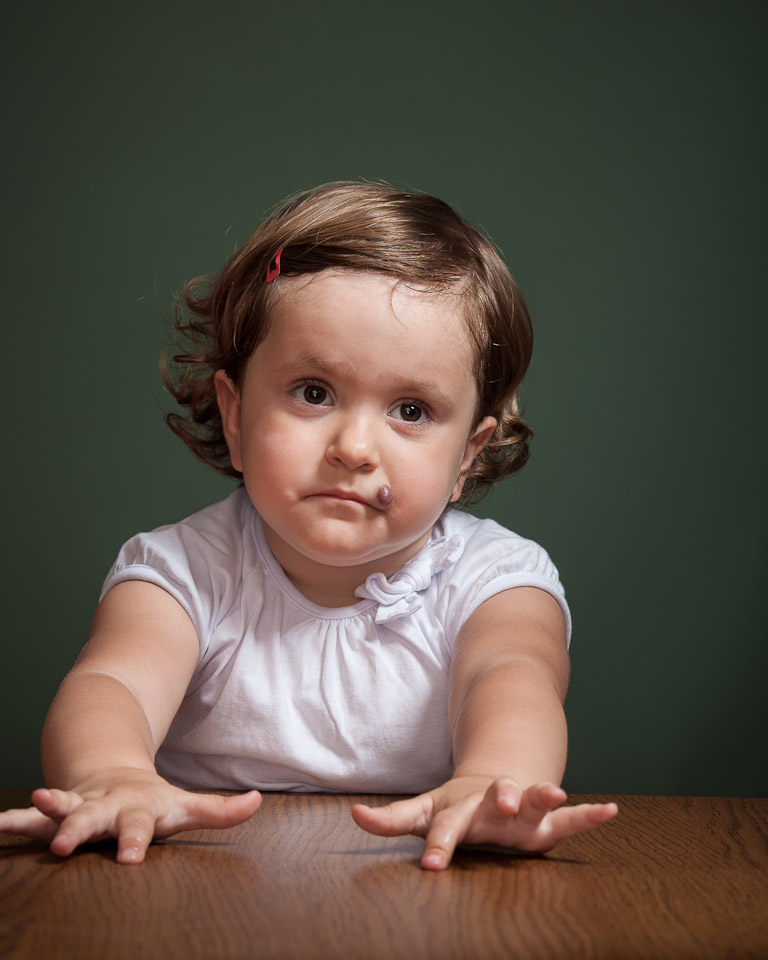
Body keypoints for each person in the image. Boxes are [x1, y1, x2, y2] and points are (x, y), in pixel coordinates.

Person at [0, 182, 617, 869]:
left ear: (466, 457)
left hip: (420, 875)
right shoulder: (181, 571)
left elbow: (512, 674)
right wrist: (109, 774)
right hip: (197, 872)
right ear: (235, 417)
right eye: (313, 393)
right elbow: (114, 683)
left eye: (411, 410)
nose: (354, 447)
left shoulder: (496, 581)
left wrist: (494, 783)